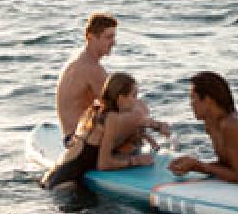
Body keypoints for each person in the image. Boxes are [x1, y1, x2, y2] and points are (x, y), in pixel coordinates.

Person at [41, 72, 170, 190]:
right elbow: (103, 164)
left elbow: (132, 123)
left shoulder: (99, 110)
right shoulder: (111, 118)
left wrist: (150, 131)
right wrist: (137, 161)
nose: (136, 101)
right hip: (63, 183)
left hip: (55, 177)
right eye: (133, 95)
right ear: (120, 98)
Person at [55, 12, 119, 143]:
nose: (114, 43)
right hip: (80, 143)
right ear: (91, 37)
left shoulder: (79, 59)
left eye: (114, 37)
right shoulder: (91, 69)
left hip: (70, 137)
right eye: (109, 37)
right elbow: (118, 107)